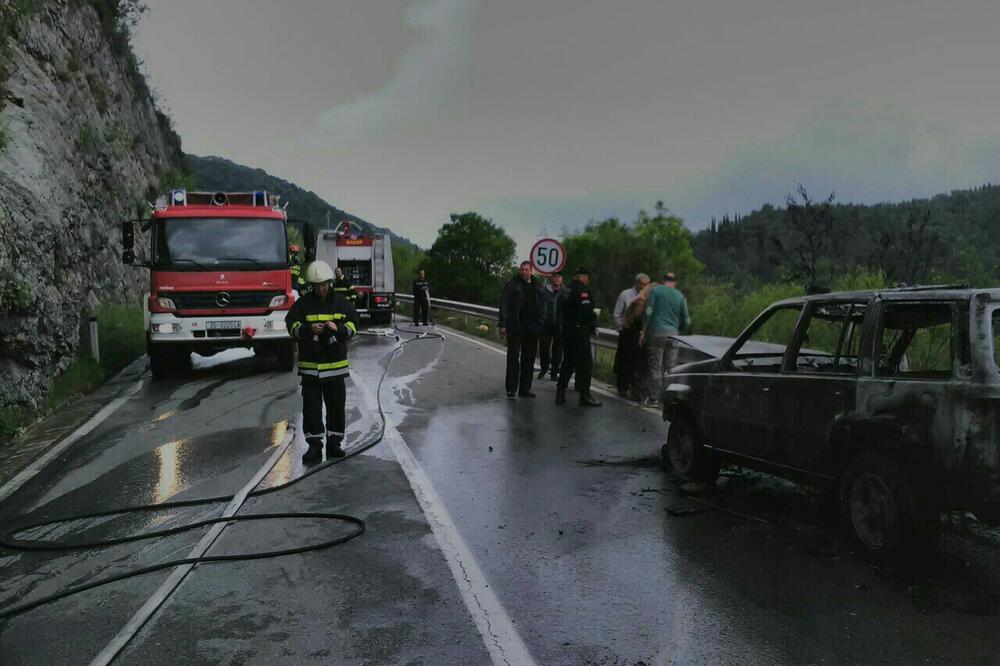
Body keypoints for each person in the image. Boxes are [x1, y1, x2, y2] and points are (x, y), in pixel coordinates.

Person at [285, 260, 359, 464]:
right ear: (311, 285)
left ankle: (335, 443)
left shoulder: (341, 302)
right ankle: (314, 447)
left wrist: (340, 329)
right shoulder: (303, 304)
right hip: (310, 369)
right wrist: (308, 330)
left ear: (330, 282)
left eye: (324, 284)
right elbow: (291, 324)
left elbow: (354, 322)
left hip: (335, 368)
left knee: (336, 407)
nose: (321, 289)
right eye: (317, 286)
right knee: (312, 409)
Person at [641, 272, 691, 405]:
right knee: (670, 368)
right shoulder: (680, 296)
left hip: (656, 332)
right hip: (673, 334)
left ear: (663, 281)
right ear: (675, 282)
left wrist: (643, 330)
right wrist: (678, 329)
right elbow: (687, 321)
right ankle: (668, 398)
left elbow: (648, 312)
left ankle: (653, 398)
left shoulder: (656, 291)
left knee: (655, 366)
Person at [555, 267, 602, 408]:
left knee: (568, 362)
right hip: (579, 332)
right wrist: (594, 316)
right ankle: (585, 395)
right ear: (582, 276)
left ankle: (560, 393)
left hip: (566, 330)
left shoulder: (566, 290)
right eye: (587, 276)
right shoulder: (583, 291)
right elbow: (585, 312)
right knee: (585, 364)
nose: (588, 279)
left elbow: (560, 310)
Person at [498, 261, 543, 398]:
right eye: (522, 269)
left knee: (528, 359)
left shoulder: (537, 286)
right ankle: (511, 388)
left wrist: (541, 323)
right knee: (513, 358)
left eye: (526, 269)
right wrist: (503, 324)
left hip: (532, 328)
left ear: (531, 271)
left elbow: (543, 305)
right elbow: (504, 305)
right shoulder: (512, 286)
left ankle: (525, 389)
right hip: (515, 327)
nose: (524, 272)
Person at [612, 273, 650, 396]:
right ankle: (622, 386)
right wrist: (621, 329)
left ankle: (635, 389)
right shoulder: (625, 294)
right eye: (641, 284)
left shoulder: (649, 297)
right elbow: (617, 314)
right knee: (624, 360)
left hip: (639, 333)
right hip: (627, 331)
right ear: (636, 283)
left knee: (637, 362)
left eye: (645, 285)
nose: (642, 286)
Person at [537, 272, 564, 379]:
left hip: (559, 324)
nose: (557, 279)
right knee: (544, 347)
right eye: (555, 277)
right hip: (545, 324)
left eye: (559, 277)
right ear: (551, 278)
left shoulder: (565, 292)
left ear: (562, 279)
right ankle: (544, 368)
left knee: (557, 349)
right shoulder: (544, 291)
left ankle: (554, 371)